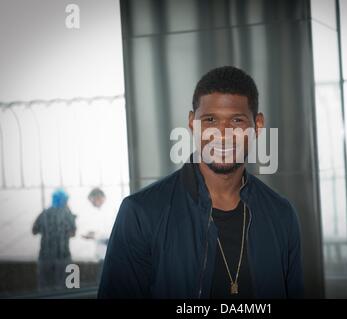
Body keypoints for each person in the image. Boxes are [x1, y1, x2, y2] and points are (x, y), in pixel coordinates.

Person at [98, 66, 303, 299]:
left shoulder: (281, 214)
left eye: (236, 120)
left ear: (257, 125)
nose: (222, 134)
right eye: (210, 120)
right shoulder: (141, 214)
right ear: (192, 123)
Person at [32, 188, 76, 291]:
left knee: (45, 288)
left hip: (45, 257)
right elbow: (73, 233)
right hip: (63, 256)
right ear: (64, 200)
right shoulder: (67, 214)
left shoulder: (44, 213)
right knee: (65, 288)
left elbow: (34, 231)